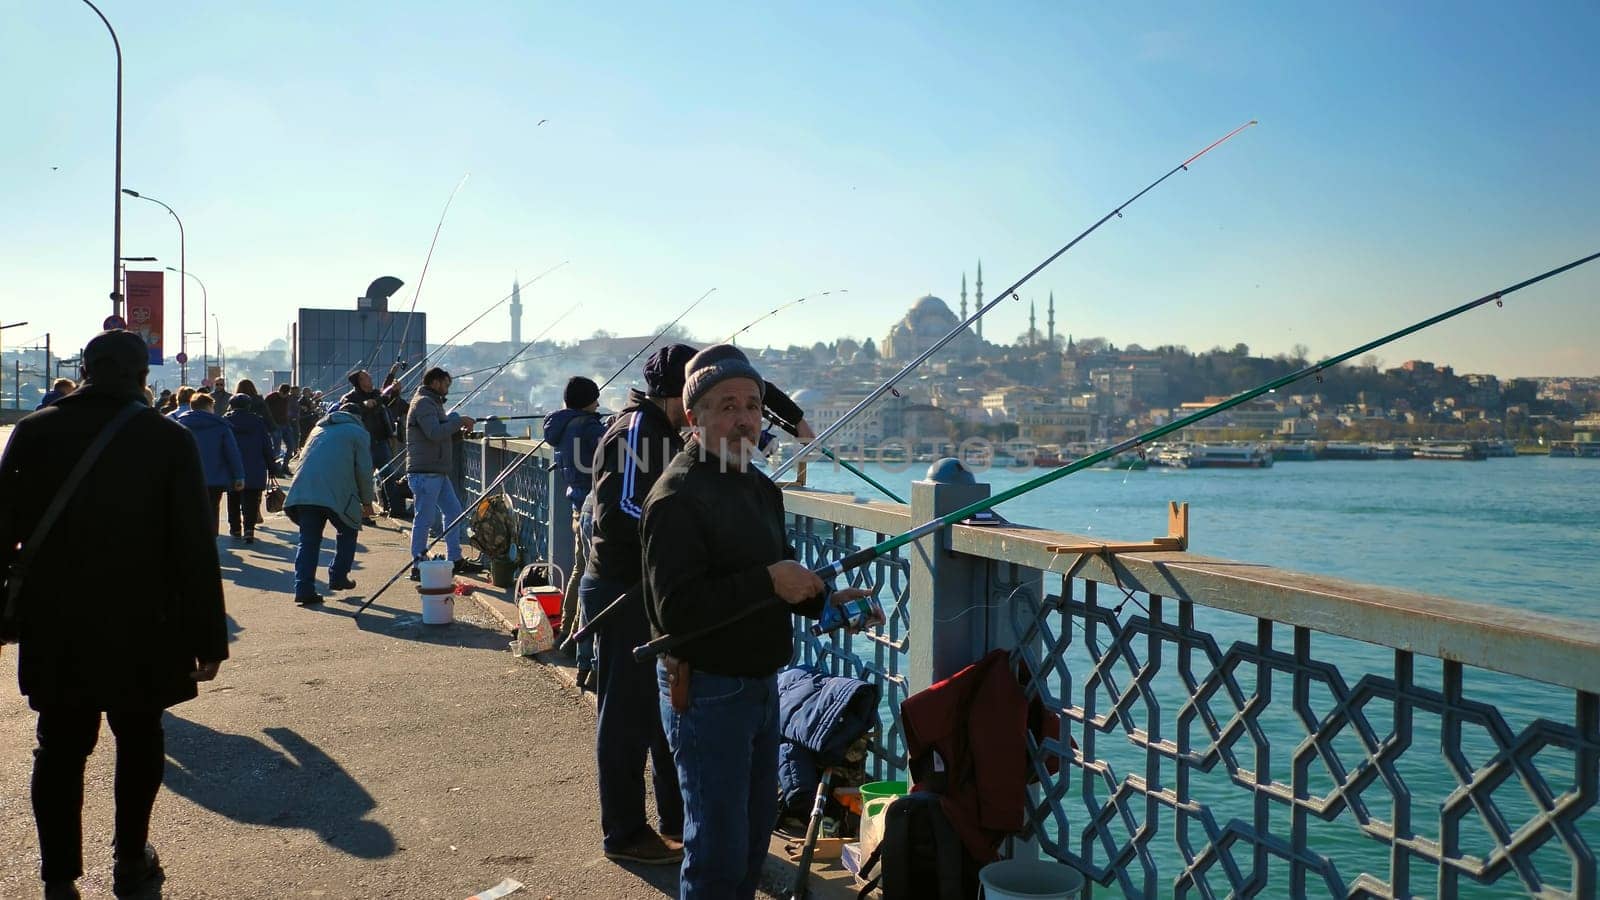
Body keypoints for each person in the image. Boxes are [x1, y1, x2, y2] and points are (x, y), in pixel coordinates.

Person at [0, 329, 227, 900]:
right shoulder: (167, 440)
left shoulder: (32, 432)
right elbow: (194, 548)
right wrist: (208, 638)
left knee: (59, 746)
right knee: (139, 734)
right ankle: (130, 859)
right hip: (145, 621)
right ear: (141, 378)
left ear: (85, 369)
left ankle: (58, 878)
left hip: (57, 621)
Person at [641, 345, 865, 900]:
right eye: (725, 406)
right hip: (709, 692)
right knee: (715, 850)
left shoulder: (760, 487)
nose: (743, 418)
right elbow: (678, 611)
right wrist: (770, 580)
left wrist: (825, 602)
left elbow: (776, 581)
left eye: (752, 405)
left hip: (766, 687)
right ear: (694, 418)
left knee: (748, 841)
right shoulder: (676, 496)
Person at [284, 402, 375, 605]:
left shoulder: (317, 429)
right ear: (359, 418)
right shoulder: (358, 432)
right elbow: (364, 470)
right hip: (337, 493)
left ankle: (303, 589)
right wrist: (367, 502)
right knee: (348, 529)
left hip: (305, 491)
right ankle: (338, 575)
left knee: (308, 542)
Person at [543, 376, 606, 648]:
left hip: (575, 504)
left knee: (580, 569)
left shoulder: (563, 425)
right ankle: (577, 640)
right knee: (590, 573)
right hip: (592, 504)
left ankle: (567, 628)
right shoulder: (589, 427)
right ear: (589, 400)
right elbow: (612, 451)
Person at [404, 367, 484, 578]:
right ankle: (418, 564)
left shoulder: (433, 404)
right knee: (424, 519)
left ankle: (455, 559)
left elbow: (440, 433)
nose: (447, 389)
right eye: (446, 384)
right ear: (435, 382)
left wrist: (457, 429)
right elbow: (434, 433)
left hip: (437, 471)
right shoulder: (423, 403)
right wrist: (458, 422)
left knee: (453, 511)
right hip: (425, 473)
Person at [174, 392, 244, 534]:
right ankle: (211, 538)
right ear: (209, 406)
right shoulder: (221, 426)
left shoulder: (179, 425)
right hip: (215, 478)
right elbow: (232, 453)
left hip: (188, 478)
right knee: (212, 508)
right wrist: (239, 476)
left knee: (191, 509)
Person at [341, 366, 405, 519]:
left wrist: (395, 390)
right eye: (366, 377)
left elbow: (389, 400)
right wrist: (364, 405)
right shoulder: (351, 397)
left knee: (388, 475)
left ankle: (394, 509)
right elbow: (346, 410)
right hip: (363, 444)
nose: (370, 379)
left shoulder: (377, 394)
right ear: (360, 382)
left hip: (381, 441)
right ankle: (360, 512)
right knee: (362, 478)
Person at [223, 393, 276, 543]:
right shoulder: (258, 422)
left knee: (233, 497)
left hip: (232, 466)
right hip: (255, 465)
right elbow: (267, 446)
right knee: (252, 500)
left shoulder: (225, 421)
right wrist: (272, 467)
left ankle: (235, 528)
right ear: (249, 405)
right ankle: (249, 529)